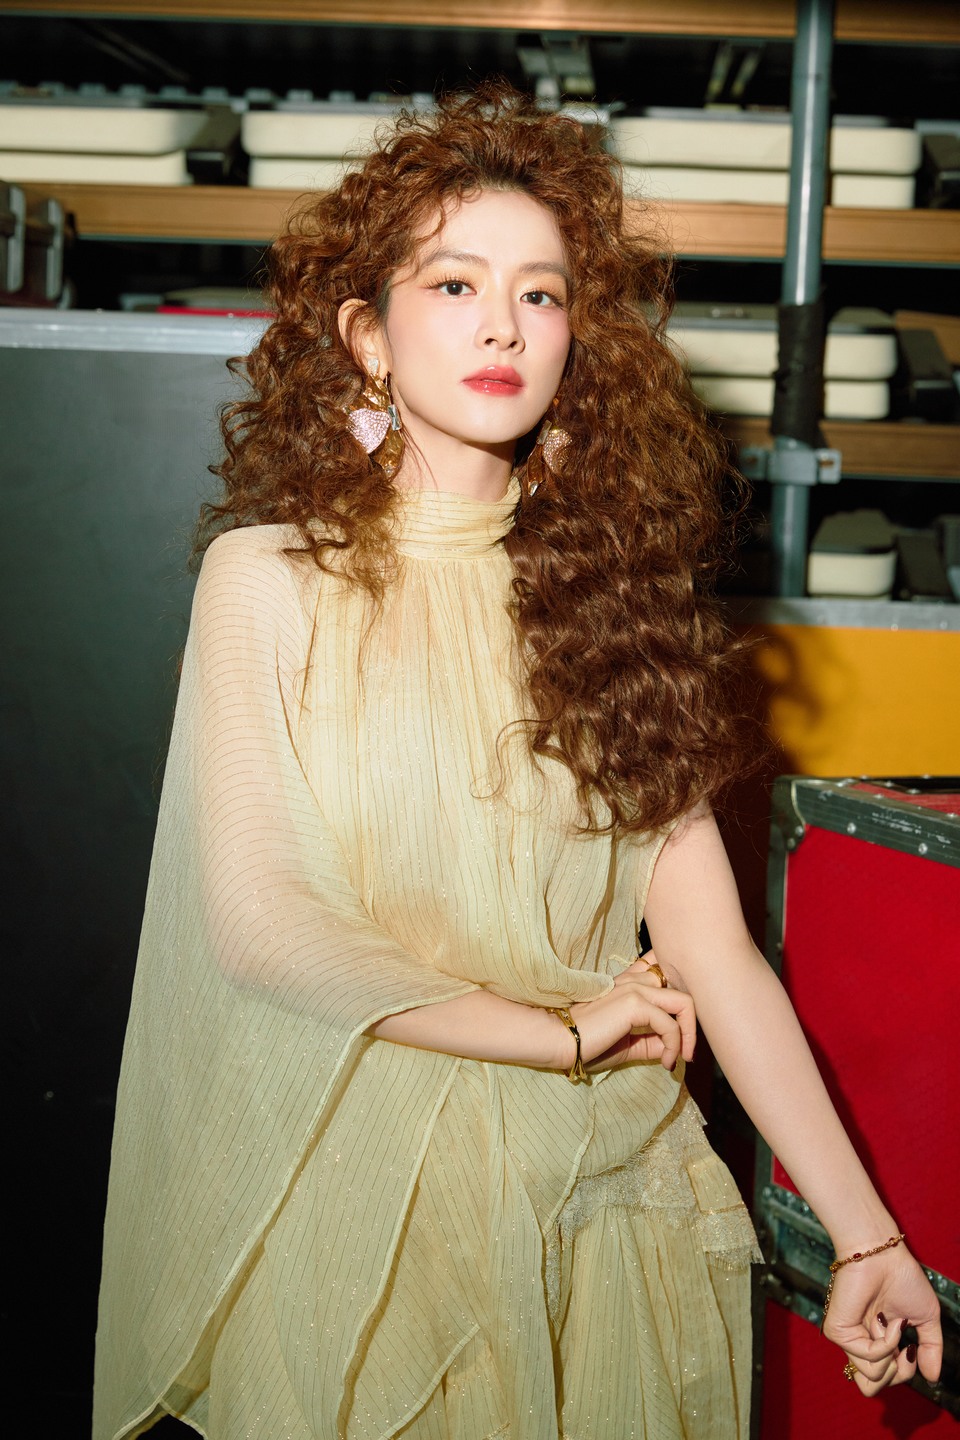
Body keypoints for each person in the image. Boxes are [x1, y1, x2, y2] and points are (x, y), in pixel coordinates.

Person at [94, 86, 942, 1440]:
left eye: (541, 294)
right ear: (365, 335)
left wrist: (864, 1235)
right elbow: (261, 925)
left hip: (607, 1215)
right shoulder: (267, 581)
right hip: (376, 1222)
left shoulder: (620, 606)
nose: (503, 324)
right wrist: (562, 1034)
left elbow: (715, 955)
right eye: (455, 283)